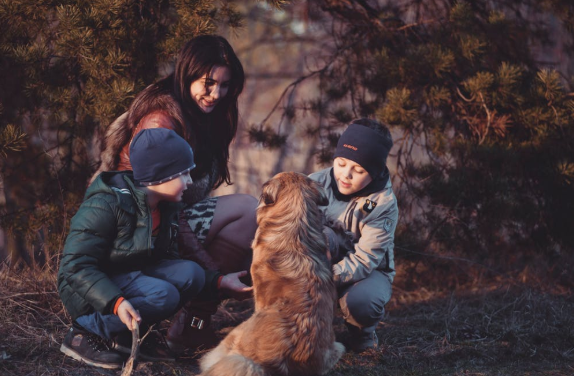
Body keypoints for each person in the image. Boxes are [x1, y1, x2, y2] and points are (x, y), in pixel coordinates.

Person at [90, 35, 257, 351]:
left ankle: (194, 325)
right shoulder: (160, 121)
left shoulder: (210, 115)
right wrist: (214, 276)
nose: (216, 94)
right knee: (247, 211)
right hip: (136, 233)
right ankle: (181, 322)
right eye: (208, 83)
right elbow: (155, 210)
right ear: (187, 74)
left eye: (224, 85)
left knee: (251, 214)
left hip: (171, 221)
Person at [59, 129, 211, 369]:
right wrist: (116, 302)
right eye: (183, 173)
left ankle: (127, 337)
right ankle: (83, 333)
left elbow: (171, 259)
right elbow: (75, 265)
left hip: (129, 275)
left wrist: (220, 281)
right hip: (88, 292)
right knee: (164, 294)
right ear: (159, 176)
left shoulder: (165, 207)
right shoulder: (106, 204)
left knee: (192, 275)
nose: (190, 181)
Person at [309, 118, 398, 353]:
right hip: (319, 263)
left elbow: (365, 259)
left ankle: (362, 334)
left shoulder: (383, 204)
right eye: (340, 163)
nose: (345, 175)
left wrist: (323, 279)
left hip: (366, 272)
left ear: (375, 171)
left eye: (358, 170)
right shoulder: (314, 183)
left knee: (363, 302)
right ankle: (305, 330)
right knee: (324, 236)